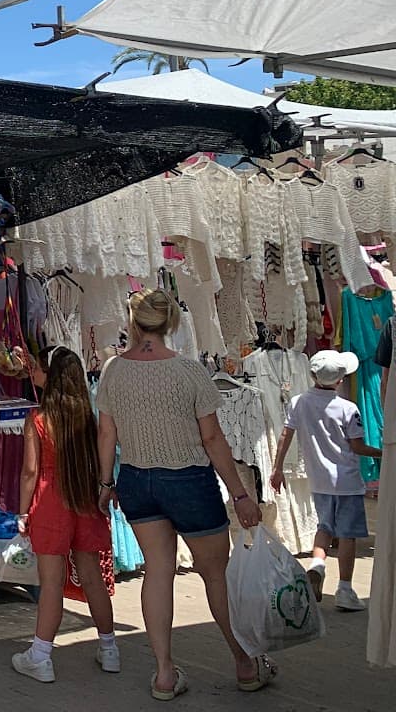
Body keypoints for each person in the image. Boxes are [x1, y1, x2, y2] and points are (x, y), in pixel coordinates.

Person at [96, 289, 271, 701]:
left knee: (157, 572)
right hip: (189, 479)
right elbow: (212, 438)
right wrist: (240, 494)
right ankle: (245, 663)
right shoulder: (189, 372)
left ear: (134, 323)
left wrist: (106, 484)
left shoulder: (112, 371)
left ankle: (163, 674)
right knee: (215, 575)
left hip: (137, 480)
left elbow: (107, 433)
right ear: (172, 322)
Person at [11, 345, 118, 683]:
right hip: (84, 497)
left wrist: (22, 512)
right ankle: (110, 648)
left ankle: (41, 655)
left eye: (39, 368)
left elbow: (30, 472)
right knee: (92, 578)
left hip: (50, 502)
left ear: (51, 375)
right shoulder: (86, 416)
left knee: (52, 583)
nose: (34, 373)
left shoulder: (39, 419)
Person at [270, 349, 384, 611]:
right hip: (347, 482)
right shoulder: (347, 408)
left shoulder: (299, 402)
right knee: (348, 535)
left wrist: (277, 469)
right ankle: (345, 588)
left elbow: (285, 435)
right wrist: (383, 452)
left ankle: (317, 567)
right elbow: (357, 447)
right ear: (340, 380)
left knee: (324, 528)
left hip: (319, 480)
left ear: (312, 375)